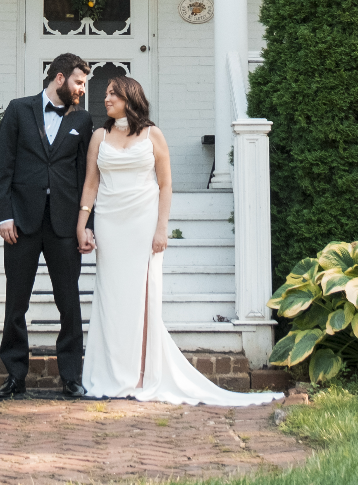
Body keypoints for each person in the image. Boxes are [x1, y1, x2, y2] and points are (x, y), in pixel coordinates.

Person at [77, 75, 283, 405]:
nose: (106, 98)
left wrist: (162, 228)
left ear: (131, 98)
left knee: (142, 297)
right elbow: (91, 183)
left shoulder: (152, 134)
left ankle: (141, 376)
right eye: (106, 94)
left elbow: (165, 186)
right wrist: (82, 223)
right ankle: (109, 372)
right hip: (110, 225)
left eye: (113, 94)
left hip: (143, 224)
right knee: (111, 299)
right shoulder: (98, 137)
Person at [0, 53, 93, 400]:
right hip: (22, 222)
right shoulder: (19, 110)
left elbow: (86, 177)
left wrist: (86, 224)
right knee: (16, 301)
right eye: (79, 82)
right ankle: (15, 375)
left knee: (70, 302)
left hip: (64, 224)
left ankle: (71, 376)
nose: (82, 89)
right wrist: (4, 215)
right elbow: (3, 166)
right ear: (60, 78)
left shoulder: (83, 119)